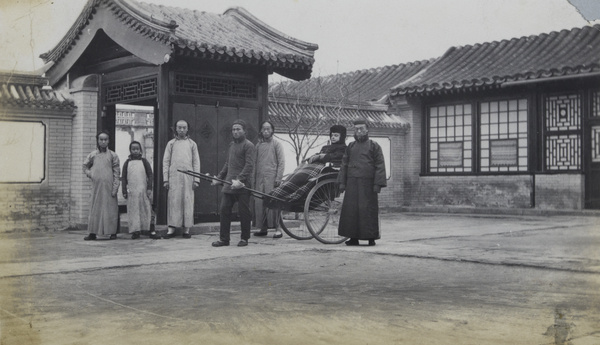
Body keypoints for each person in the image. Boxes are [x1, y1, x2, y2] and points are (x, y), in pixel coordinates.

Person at [267, 125, 347, 209]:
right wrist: (312, 157)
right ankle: (279, 193)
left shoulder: (343, 148)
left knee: (300, 177)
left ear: (342, 137)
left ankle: (286, 195)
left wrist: (322, 156)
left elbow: (336, 157)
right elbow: (318, 155)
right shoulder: (325, 147)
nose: (333, 137)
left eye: (336, 135)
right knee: (294, 175)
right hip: (314, 166)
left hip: (325, 169)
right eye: (332, 135)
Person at [337, 119, 386, 246]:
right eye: (356, 129)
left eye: (361, 129)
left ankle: (371, 238)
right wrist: (342, 182)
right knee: (351, 211)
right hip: (352, 183)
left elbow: (380, 165)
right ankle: (353, 238)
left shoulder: (374, 146)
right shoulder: (351, 146)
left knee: (367, 210)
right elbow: (344, 164)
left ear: (367, 130)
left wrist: (377, 184)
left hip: (368, 184)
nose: (359, 131)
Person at [211, 119, 255, 247]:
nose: (235, 132)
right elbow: (227, 164)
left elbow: (249, 165)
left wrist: (240, 179)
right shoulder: (231, 145)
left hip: (243, 184)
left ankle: (244, 238)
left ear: (244, 131)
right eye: (233, 129)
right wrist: (219, 177)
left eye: (238, 129)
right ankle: (224, 239)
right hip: (229, 183)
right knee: (224, 210)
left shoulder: (249, 145)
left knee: (243, 212)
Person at [162, 120, 201, 239]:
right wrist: (166, 179)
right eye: (179, 128)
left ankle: (187, 229)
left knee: (187, 201)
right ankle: (171, 229)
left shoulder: (192, 144)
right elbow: (166, 162)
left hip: (188, 177)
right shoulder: (171, 144)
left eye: (184, 128)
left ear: (187, 129)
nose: (182, 130)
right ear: (176, 129)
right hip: (174, 177)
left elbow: (196, 162)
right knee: (174, 202)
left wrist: (196, 179)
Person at [82, 131, 120, 240]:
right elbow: (85, 166)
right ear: (98, 141)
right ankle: (93, 233)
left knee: (110, 209)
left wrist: (115, 187)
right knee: (95, 209)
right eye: (101, 139)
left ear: (109, 141)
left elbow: (117, 172)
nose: (103, 142)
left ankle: (112, 232)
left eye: (105, 139)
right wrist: (91, 174)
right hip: (96, 187)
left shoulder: (113, 155)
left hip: (109, 186)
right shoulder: (93, 155)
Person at [252, 121, 285, 238]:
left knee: (273, 203)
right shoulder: (258, 146)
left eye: (268, 129)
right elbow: (255, 164)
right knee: (260, 203)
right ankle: (263, 228)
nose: (266, 131)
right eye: (263, 129)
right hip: (259, 178)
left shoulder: (276, 144)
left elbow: (281, 162)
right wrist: (254, 180)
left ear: (272, 130)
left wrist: (278, 178)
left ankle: (278, 228)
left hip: (272, 179)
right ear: (261, 131)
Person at [122, 141, 159, 239]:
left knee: (147, 210)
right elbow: (124, 178)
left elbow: (150, 175)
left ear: (140, 150)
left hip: (143, 190)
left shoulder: (144, 162)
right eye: (133, 149)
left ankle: (151, 230)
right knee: (133, 211)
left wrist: (149, 188)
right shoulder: (127, 163)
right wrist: (124, 191)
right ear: (130, 150)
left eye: (137, 149)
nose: (135, 151)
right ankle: (135, 231)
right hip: (132, 192)